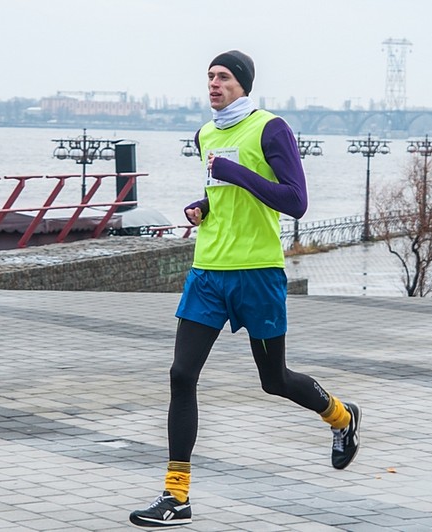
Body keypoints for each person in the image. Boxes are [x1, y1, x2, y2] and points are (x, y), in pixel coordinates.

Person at [129, 50, 361, 528]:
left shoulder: (270, 129)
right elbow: (223, 197)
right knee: (180, 375)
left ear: (243, 84)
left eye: (224, 77)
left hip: (257, 273)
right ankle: (177, 496)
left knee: (273, 381)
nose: (213, 84)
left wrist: (237, 173)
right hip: (209, 271)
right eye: (209, 76)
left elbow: (295, 201)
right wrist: (203, 207)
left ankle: (340, 417)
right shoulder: (205, 134)